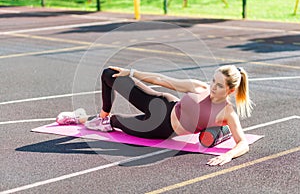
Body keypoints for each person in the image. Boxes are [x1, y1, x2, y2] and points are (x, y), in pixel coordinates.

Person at [57, 65, 254, 166]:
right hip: (162, 103)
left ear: (229, 91)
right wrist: (132, 72)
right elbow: (163, 80)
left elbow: (243, 143)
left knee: (115, 122)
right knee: (110, 74)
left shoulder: (226, 112)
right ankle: (101, 115)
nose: (212, 87)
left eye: (219, 86)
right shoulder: (200, 87)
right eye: (213, 81)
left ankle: (85, 118)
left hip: (160, 129)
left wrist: (228, 156)